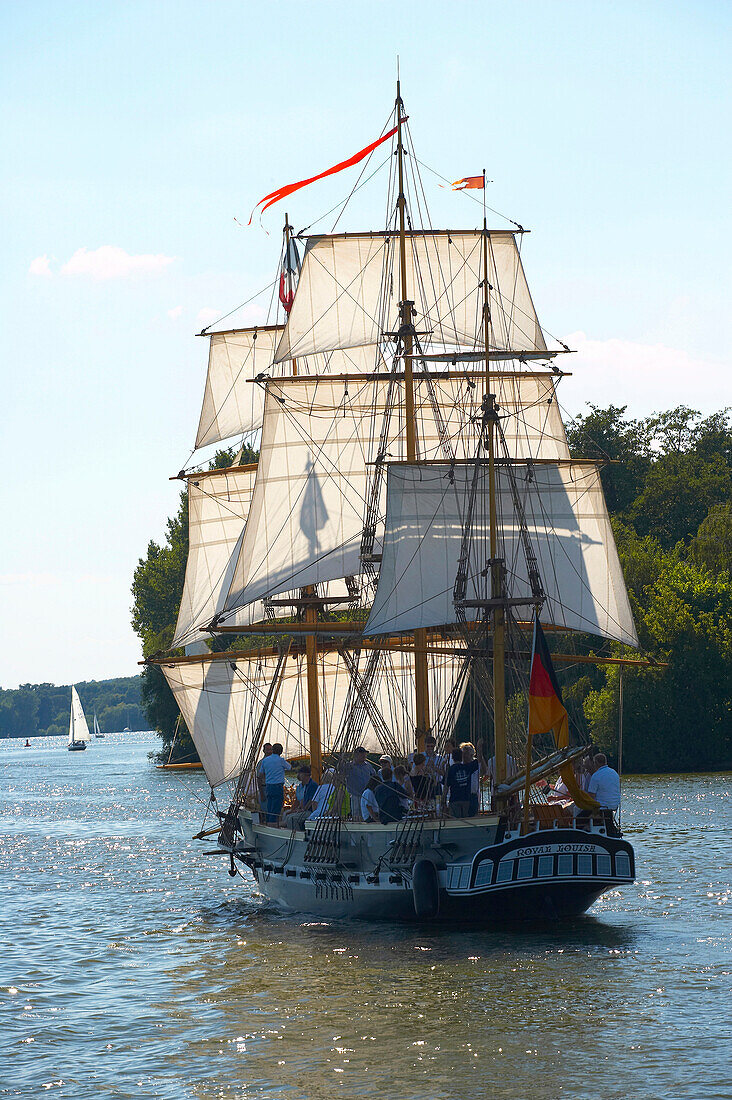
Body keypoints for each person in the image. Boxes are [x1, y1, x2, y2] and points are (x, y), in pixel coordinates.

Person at [257, 743, 291, 823]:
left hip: (268, 786)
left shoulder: (265, 761)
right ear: (281, 752)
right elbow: (289, 767)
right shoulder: (281, 760)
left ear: (273, 750)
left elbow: (259, 776)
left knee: (270, 807)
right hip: (277, 787)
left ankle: (270, 823)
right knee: (277, 807)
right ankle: (274, 824)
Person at [345, 747, 377, 821]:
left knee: (368, 814)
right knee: (357, 815)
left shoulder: (368, 766)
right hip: (355, 794)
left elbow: (374, 777)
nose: (364, 755)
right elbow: (340, 771)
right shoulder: (349, 766)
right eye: (361, 753)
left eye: (364, 753)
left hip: (367, 794)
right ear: (356, 754)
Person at [283, 765, 319, 829]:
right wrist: (294, 809)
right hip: (304, 810)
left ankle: (296, 833)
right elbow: (299, 801)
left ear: (305, 775)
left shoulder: (312, 785)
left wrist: (303, 809)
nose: (298, 775)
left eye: (300, 774)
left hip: (310, 811)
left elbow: (311, 801)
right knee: (287, 815)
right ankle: (287, 830)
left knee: (291, 818)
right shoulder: (303, 786)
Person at [445, 747, 472, 818]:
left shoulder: (450, 770)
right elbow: (477, 762)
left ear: (453, 758)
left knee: (455, 819)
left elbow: (446, 785)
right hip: (466, 799)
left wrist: (443, 799)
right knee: (465, 818)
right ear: (462, 757)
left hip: (454, 799)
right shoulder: (467, 767)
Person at [460, 742, 483, 816]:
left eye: (468, 753)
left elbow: (485, 771)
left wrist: (479, 750)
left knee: (473, 814)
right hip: (462, 796)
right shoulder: (459, 766)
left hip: (473, 796)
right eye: (464, 753)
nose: (466, 756)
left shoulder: (475, 764)